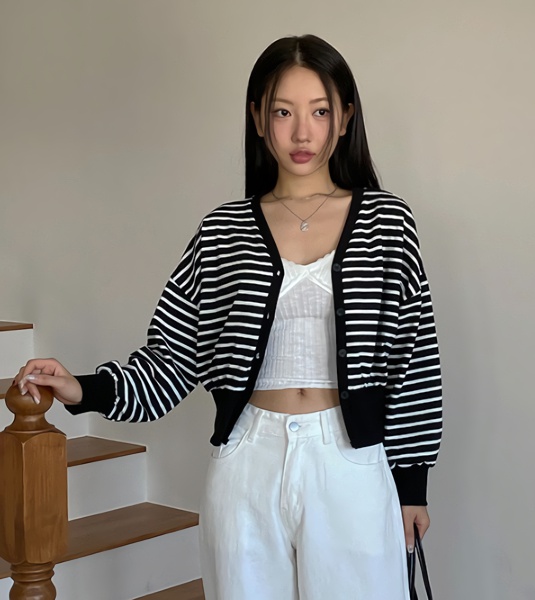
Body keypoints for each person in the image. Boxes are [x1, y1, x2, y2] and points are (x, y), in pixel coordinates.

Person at [15, 34, 442, 600]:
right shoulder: (224, 230)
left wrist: (412, 486)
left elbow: (415, 360)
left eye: (319, 112)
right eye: (283, 112)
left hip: (351, 460)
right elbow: (172, 357)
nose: (302, 132)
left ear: (345, 117)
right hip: (247, 459)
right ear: (258, 118)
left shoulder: (387, 221)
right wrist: (84, 389)